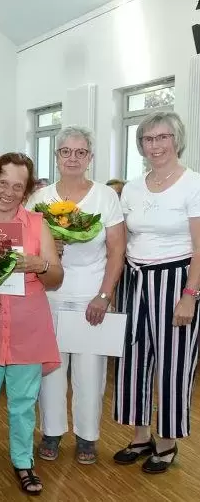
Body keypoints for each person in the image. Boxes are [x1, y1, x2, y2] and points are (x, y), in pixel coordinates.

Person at [0, 152, 62, 495]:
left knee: (23, 400)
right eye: (2, 183)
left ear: (27, 191)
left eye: (18, 186)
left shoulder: (38, 224)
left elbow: (57, 277)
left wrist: (39, 264)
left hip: (27, 324)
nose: (8, 191)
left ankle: (23, 461)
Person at [28, 126, 126, 465]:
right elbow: (29, 247)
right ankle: (51, 432)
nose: (73, 158)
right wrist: (49, 248)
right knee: (51, 369)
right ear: (56, 157)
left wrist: (104, 294)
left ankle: (87, 437)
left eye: (80, 152)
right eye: (65, 151)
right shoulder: (40, 199)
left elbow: (117, 249)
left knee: (90, 371)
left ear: (90, 157)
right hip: (50, 295)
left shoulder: (105, 197)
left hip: (90, 297)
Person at [113, 111, 200, 474]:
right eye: (148, 139)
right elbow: (123, 237)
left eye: (162, 137)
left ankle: (167, 442)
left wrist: (190, 294)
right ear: (141, 145)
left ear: (176, 140)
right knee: (133, 361)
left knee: (174, 363)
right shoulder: (133, 186)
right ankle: (140, 435)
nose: (156, 145)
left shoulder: (193, 184)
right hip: (135, 279)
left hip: (177, 279)